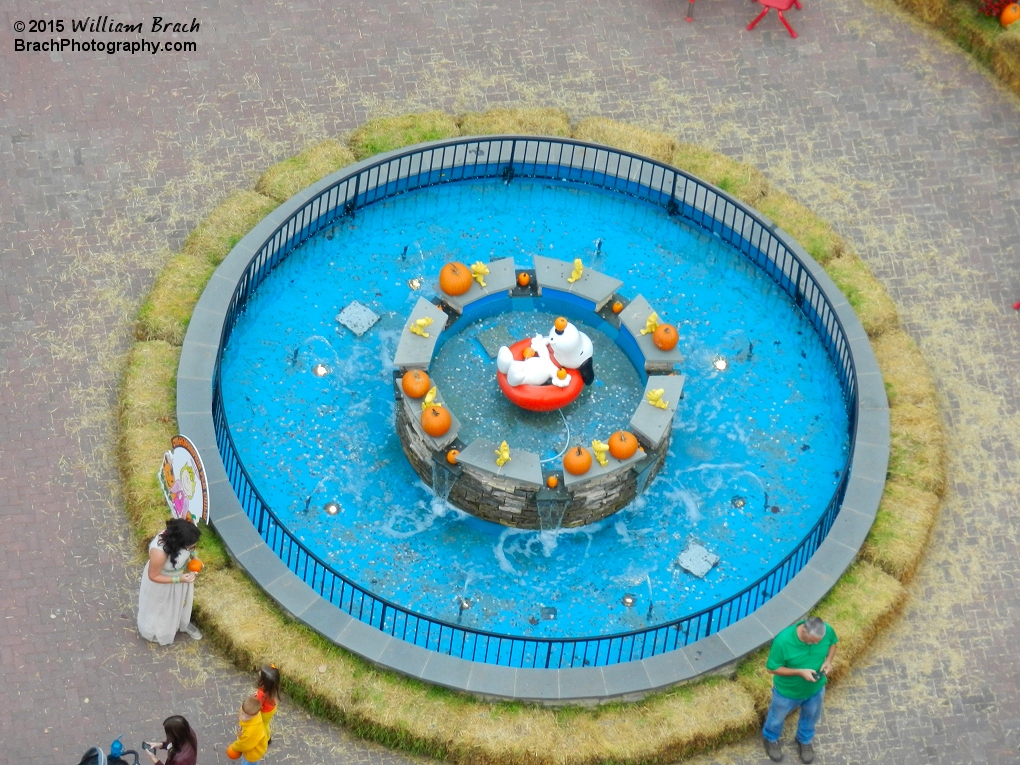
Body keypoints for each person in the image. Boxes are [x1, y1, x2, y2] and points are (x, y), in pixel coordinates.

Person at [762, 616, 838, 764]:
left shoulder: (825, 631)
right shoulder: (783, 642)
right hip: (787, 692)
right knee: (777, 717)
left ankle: (804, 739)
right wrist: (799, 672)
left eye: (819, 641)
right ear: (804, 631)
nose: (817, 643)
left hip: (815, 689)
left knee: (811, 716)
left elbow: (833, 644)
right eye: (813, 640)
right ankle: (770, 738)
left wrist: (828, 661)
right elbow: (772, 669)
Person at [137, 518, 202, 645]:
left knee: (178, 603)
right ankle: (157, 631)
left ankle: (182, 623)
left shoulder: (180, 536)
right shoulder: (159, 552)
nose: (193, 548)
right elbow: (153, 576)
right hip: (162, 582)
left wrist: (195, 557)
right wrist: (179, 579)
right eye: (190, 546)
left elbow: (191, 549)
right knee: (160, 608)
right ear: (179, 543)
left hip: (179, 577)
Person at [226, 694, 269, 762]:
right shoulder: (248, 710)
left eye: (248, 717)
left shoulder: (251, 731)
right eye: (243, 714)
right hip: (251, 746)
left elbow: (244, 745)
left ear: (255, 715)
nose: (243, 718)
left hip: (253, 753)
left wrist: (234, 747)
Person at [256, 664, 281, 744]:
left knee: (264, 725)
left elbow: (258, 705)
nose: (259, 672)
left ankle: (267, 739)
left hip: (265, 712)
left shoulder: (262, 693)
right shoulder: (271, 688)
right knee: (266, 724)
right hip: (271, 708)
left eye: (261, 673)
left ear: (264, 681)